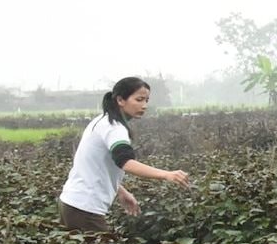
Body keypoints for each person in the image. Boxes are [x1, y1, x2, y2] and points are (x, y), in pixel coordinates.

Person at [58, 76, 190, 232]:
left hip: (70, 203)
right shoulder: (114, 128)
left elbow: (96, 164)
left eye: (146, 100)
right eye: (139, 99)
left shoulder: (101, 121)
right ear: (120, 100)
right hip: (84, 209)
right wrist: (167, 174)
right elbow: (126, 162)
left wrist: (120, 191)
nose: (144, 105)